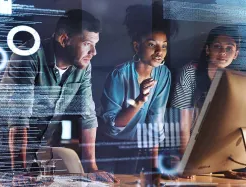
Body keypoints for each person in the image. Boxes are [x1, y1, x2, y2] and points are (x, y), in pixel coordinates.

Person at [0, 9, 116, 184]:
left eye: (95, 44)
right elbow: (19, 119)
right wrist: (19, 170)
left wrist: (91, 168)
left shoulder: (83, 65)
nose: (94, 52)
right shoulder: (28, 56)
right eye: (87, 43)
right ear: (64, 39)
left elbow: (88, 116)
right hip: (2, 156)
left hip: (39, 155)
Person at [96, 2, 178, 174]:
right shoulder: (119, 75)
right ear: (136, 46)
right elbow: (114, 126)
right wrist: (140, 100)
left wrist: (155, 167)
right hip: (107, 146)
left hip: (135, 147)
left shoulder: (163, 74)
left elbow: (156, 120)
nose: (159, 51)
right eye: (151, 44)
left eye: (164, 46)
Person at [170, 25, 243, 178]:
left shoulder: (238, 79)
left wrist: (227, 166)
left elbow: (229, 126)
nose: (223, 53)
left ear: (236, 54)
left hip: (217, 153)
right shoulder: (190, 72)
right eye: (217, 46)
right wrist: (187, 163)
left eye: (229, 48)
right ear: (208, 49)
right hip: (185, 149)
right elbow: (183, 125)